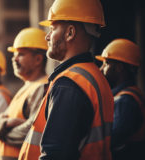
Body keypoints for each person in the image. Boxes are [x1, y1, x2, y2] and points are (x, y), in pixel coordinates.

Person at [18, 0, 114, 159]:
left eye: (53, 28)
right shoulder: (95, 77)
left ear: (70, 33)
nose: (47, 36)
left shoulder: (69, 84)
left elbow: (55, 154)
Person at [0, 28, 48, 160]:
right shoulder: (27, 87)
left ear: (38, 59)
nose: (14, 58)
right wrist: (8, 123)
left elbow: (32, 133)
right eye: (15, 54)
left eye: (20, 54)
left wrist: (0, 132)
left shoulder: (42, 87)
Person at [96, 39, 145, 160]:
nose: (100, 69)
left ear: (119, 68)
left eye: (106, 63)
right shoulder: (127, 95)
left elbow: (108, 141)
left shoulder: (126, 101)